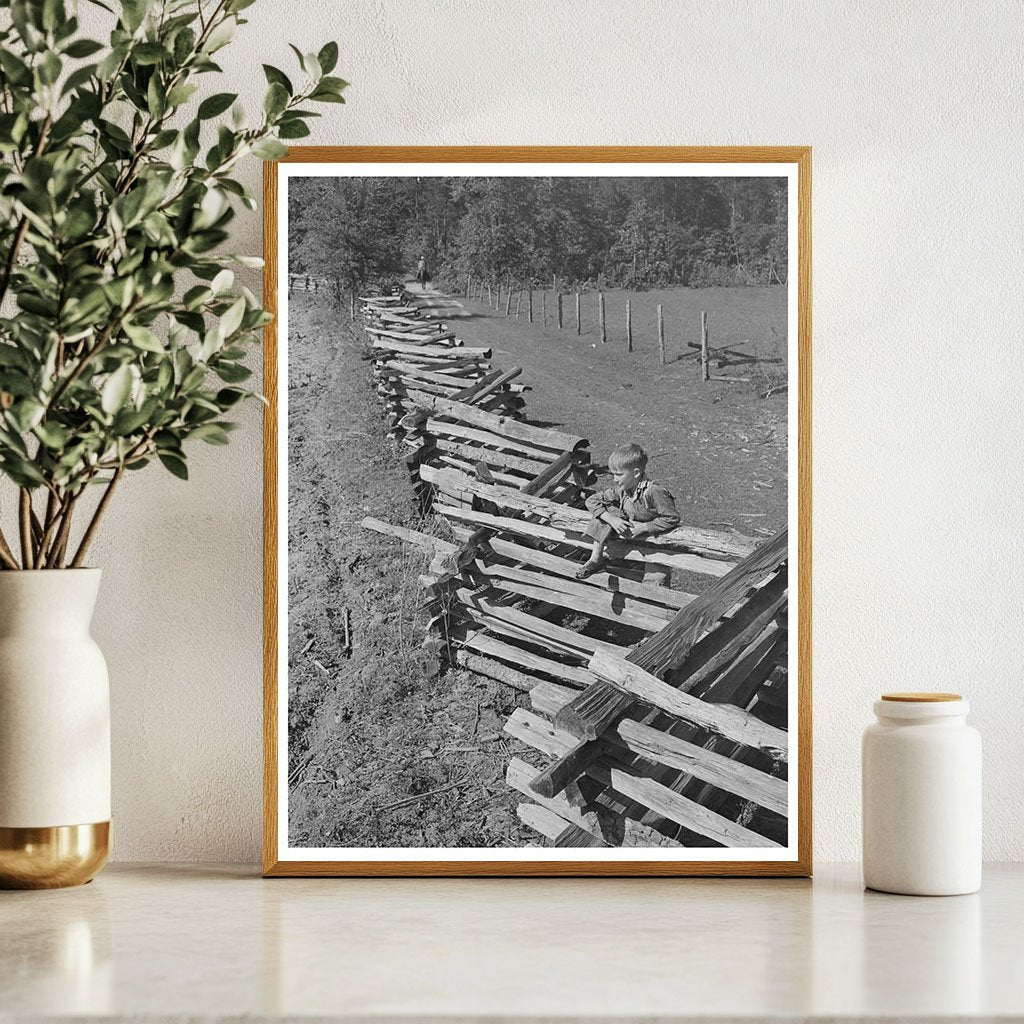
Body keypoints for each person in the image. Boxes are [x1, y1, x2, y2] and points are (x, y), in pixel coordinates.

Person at [575, 443, 680, 580]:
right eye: (613, 474)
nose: (614, 479)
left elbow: (671, 518)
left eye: (619, 474)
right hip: (631, 544)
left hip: (656, 545)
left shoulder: (654, 491)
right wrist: (611, 519)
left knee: (655, 584)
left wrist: (644, 527)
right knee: (605, 512)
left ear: (636, 473)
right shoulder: (622, 490)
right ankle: (596, 559)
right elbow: (591, 500)